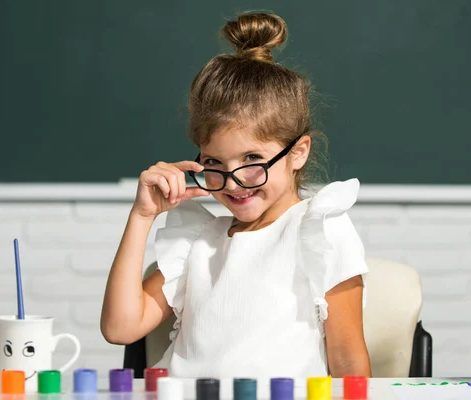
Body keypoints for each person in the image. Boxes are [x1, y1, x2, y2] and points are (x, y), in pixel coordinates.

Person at [101, 11, 371, 379]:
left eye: (252, 159)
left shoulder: (320, 230)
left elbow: (348, 363)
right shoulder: (198, 241)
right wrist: (142, 216)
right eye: (214, 162)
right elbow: (119, 328)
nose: (232, 182)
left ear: (298, 151)